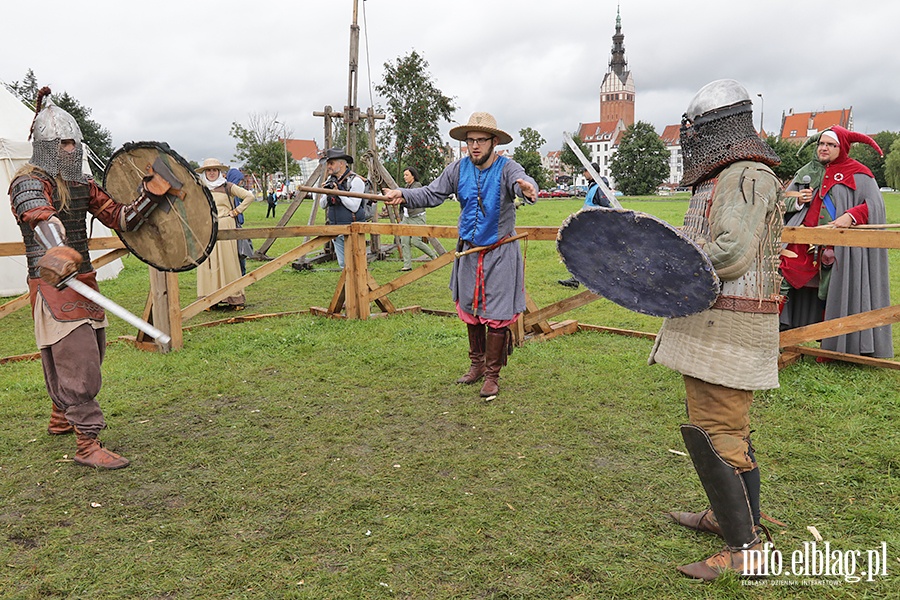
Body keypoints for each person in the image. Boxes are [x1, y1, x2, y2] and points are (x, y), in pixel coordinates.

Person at [648, 80, 783, 580]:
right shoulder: (724, 174)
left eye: (695, 132)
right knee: (720, 427)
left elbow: (728, 253)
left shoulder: (748, 175)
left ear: (715, 130)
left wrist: (666, 257)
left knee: (720, 432)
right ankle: (730, 518)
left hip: (732, 325)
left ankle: (745, 548)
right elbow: (706, 238)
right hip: (709, 320)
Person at [9, 88, 171, 469]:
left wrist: (150, 193)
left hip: (84, 279)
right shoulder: (28, 180)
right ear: (46, 146)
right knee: (79, 358)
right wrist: (56, 249)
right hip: (53, 282)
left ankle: (60, 413)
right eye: (61, 143)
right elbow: (39, 216)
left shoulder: (82, 183)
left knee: (91, 349)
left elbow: (122, 218)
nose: (68, 149)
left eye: (73, 143)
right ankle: (87, 444)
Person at [383, 112, 537, 397]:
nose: (475, 146)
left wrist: (527, 188)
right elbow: (431, 193)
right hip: (468, 252)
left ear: (493, 142)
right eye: (470, 141)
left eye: (480, 140)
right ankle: (476, 366)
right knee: (471, 310)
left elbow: (521, 181)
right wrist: (402, 194)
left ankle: (492, 375)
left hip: (499, 251)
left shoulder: (507, 167)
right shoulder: (457, 169)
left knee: (498, 314)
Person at [779, 126, 893, 358]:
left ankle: (833, 345)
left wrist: (850, 216)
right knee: (783, 276)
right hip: (803, 243)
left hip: (838, 247)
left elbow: (874, 206)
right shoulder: (806, 172)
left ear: (842, 148)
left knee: (833, 291)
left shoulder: (859, 173)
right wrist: (799, 201)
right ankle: (780, 334)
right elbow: (782, 202)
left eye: (830, 145)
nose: (824, 148)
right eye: (821, 143)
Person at [196, 158, 255, 309]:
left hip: (225, 225)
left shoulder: (227, 186)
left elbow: (249, 196)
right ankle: (210, 300)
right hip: (206, 228)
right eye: (208, 170)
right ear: (204, 172)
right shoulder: (199, 188)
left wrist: (236, 211)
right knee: (209, 262)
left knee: (228, 261)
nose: (211, 173)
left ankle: (234, 298)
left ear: (219, 172)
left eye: (214, 170)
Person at [558, 164, 612, 288]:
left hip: (595, 227)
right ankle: (578, 279)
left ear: (592, 172)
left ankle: (581, 279)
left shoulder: (599, 187)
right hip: (589, 226)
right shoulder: (594, 186)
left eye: (585, 171)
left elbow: (605, 207)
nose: (584, 174)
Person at [319, 147, 366, 269]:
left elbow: (354, 207)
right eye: (328, 163)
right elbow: (322, 205)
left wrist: (338, 192)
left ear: (341, 164)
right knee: (343, 265)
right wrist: (326, 192)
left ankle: (359, 288)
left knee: (356, 264)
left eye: (331, 163)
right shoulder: (330, 181)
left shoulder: (355, 181)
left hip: (353, 229)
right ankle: (349, 288)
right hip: (336, 228)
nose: (328, 166)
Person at [398, 166, 439, 271]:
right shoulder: (407, 186)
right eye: (404, 175)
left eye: (407, 175)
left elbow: (411, 197)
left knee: (416, 241)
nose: (405, 177)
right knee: (404, 241)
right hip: (406, 218)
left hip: (417, 217)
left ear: (413, 175)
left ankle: (434, 256)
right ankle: (407, 265)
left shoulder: (417, 186)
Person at [226, 168, 254, 276]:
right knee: (238, 252)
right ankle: (240, 274)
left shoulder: (236, 195)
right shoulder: (230, 193)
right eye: (239, 181)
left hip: (237, 224)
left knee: (240, 252)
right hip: (232, 225)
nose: (241, 183)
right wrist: (236, 212)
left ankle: (241, 274)